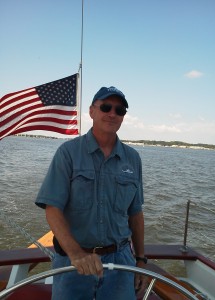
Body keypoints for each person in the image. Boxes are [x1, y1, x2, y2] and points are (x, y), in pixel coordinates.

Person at [35, 86, 148, 300]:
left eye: (120, 110)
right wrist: (76, 253)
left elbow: (136, 213)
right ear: (91, 111)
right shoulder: (67, 153)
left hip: (121, 261)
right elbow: (52, 208)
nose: (112, 113)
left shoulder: (133, 159)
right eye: (106, 107)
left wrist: (140, 259)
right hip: (73, 261)